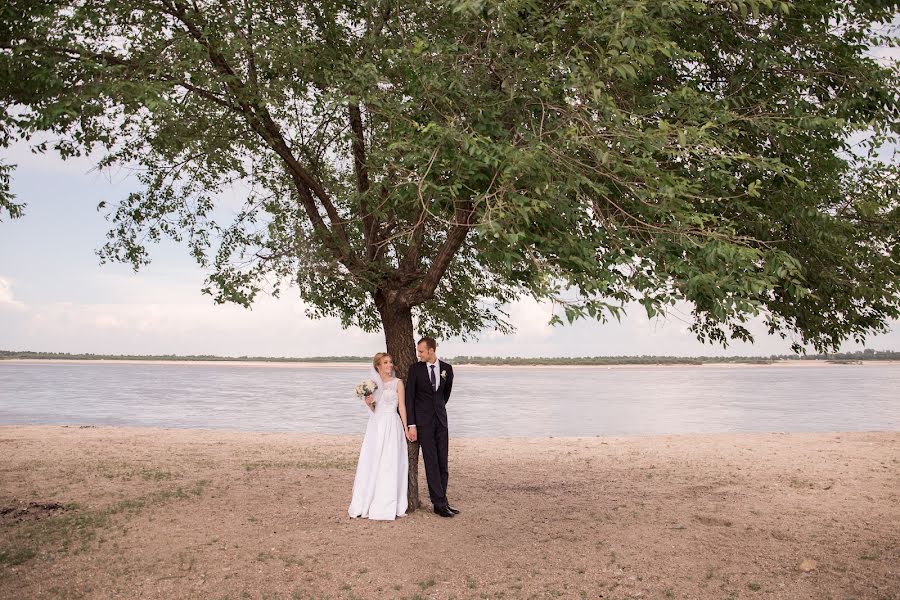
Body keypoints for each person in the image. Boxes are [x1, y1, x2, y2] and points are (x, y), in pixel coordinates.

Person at [348, 353, 409, 520]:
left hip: (392, 424)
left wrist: (406, 428)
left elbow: (402, 407)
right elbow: (375, 409)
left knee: (390, 462)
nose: (390, 365)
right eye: (386, 362)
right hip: (376, 426)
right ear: (378, 366)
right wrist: (369, 403)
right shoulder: (373, 385)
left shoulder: (398, 383)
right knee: (374, 460)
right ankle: (369, 499)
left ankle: (388, 502)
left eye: (390, 362)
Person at [405, 337, 458, 518]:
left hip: (441, 422)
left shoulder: (447, 369)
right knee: (431, 462)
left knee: (443, 462)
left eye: (421, 351)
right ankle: (439, 504)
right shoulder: (415, 370)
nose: (419, 354)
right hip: (423, 424)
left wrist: (438, 411)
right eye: (418, 351)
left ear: (431, 351)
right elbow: (409, 398)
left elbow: (445, 395)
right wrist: (412, 424)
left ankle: (442, 499)